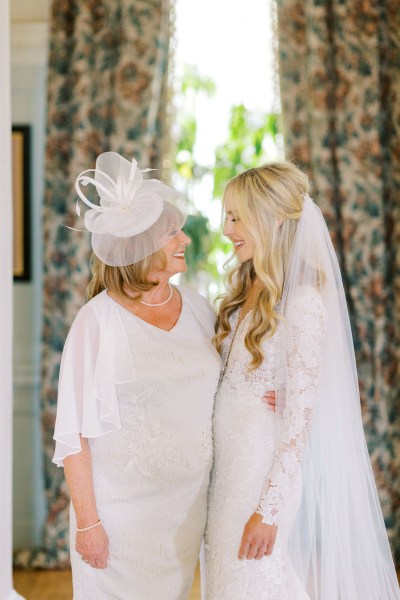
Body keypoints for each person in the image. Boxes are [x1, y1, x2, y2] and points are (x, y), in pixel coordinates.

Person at [204, 162, 400, 599]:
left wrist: (269, 511)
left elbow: (298, 427)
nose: (227, 228)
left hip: (261, 476)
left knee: (253, 582)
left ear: (273, 219)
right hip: (227, 473)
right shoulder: (247, 286)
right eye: (227, 216)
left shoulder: (304, 301)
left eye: (237, 217)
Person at [52, 152, 222, 599]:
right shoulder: (96, 322)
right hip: (119, 522)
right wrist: (88, 524)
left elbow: (226, 388)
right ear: (141, 245)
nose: (185, 238)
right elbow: (73, 436)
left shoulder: (201, 309)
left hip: (183, 515)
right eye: (173, 233)